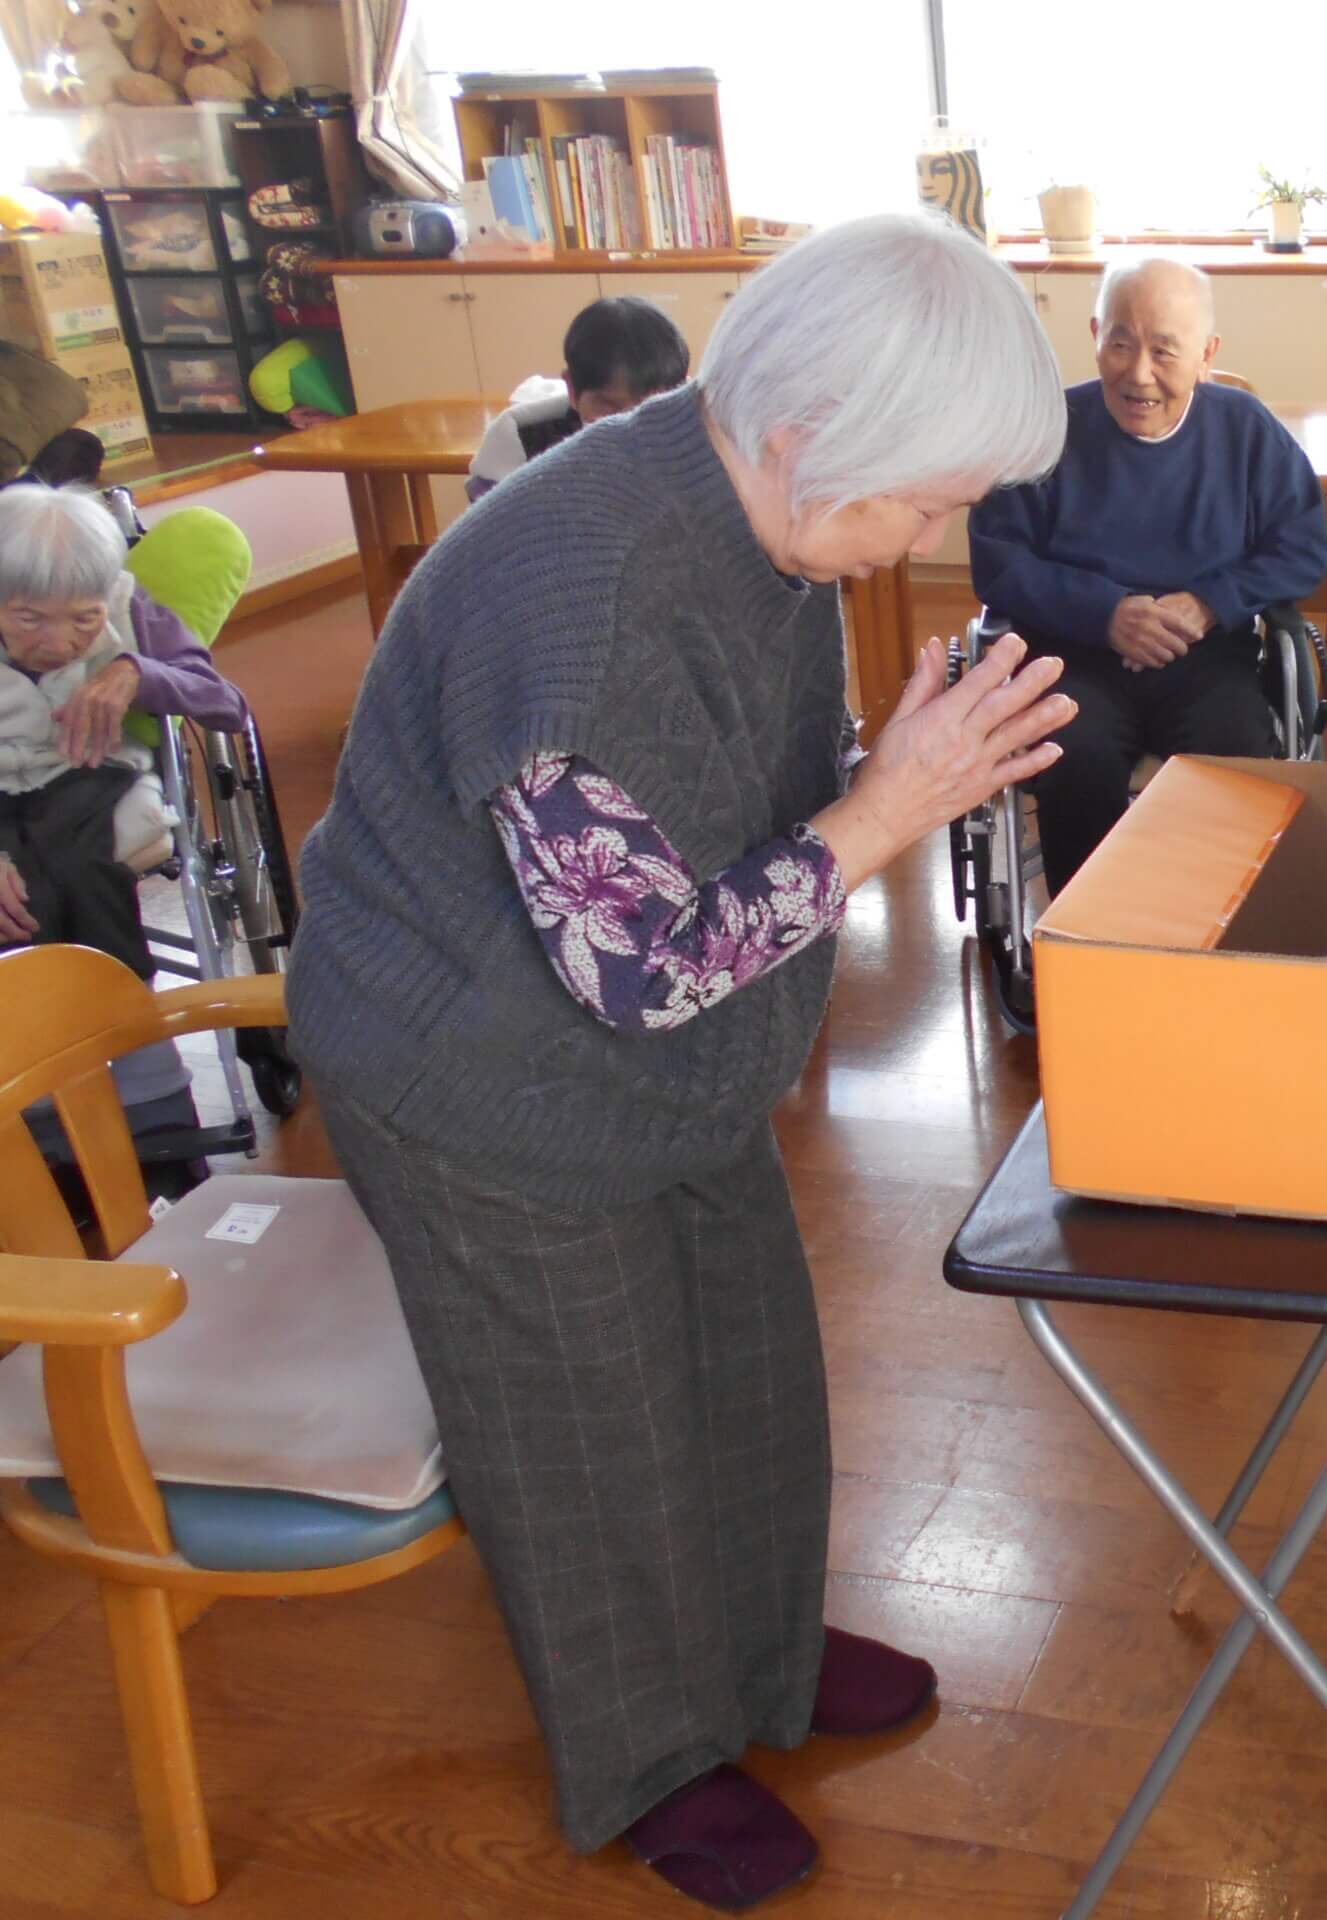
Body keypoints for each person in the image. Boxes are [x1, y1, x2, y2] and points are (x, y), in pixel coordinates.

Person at [286, 214, 1076, 1913]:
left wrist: (890, 764)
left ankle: (762, 1660)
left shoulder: (758, 512)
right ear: (807, 439)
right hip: (476, 1073)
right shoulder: (583, 600)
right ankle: (652, 1756)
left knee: (741, 1355)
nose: (937, 535)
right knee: (588, 1421)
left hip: (670, 1057)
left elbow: (720, 803)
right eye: (926, 498)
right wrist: (891, 808)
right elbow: (640, 968)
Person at [968, 258, 1327, 894]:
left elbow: (1302, 545)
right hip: (1074, 660)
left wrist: (1209, 603)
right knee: (1069, 751)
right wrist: (1106, 613)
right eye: (1120, 343)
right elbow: (998, 560)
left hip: (1207, 661)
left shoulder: (1245, 433)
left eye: (1165, 351)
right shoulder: (1047, 432)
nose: (1139, 374)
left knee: (1237, 751)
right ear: (1094, 335)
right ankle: (1087, 944)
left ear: (1206, 355)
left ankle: (1211, 922)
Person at [0, 484, 248, 981]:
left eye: (84, 617)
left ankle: (127, 1032)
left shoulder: (129, 605)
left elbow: (226, 705)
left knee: (74, 872)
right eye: (29, 618)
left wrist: (137, 671)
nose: (60, 641)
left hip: (89, 774)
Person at [465, 294, 693, 503]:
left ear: (680, 391)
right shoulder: (522, 445)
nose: (629, 426)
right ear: (572, 390)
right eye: (608, 408)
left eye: (651, 408)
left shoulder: (704, 435)